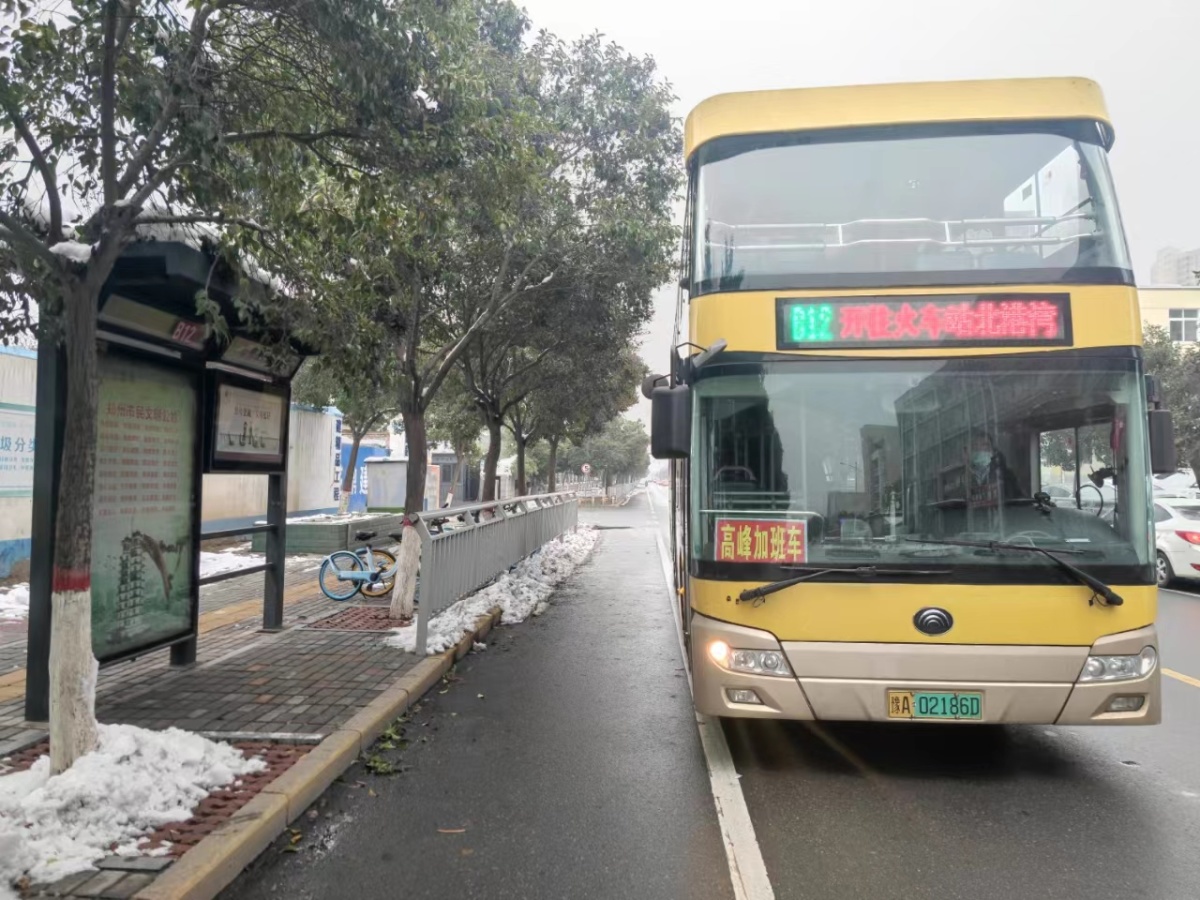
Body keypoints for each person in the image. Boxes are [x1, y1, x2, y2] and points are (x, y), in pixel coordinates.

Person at [968, 430, 1023, 500]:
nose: (980, 448)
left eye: (984, 445)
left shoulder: (1005, 475)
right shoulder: (963, 476)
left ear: (992, 450)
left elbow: (1016, 500)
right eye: (975, 445)